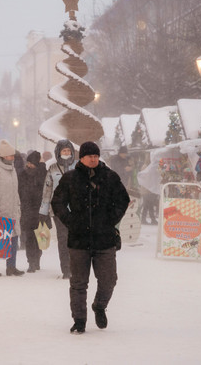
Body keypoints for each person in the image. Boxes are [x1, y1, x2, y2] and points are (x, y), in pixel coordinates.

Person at [51, 141, 130, 334]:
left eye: (96, 156)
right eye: (90, 156)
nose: (93, 159)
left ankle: (99, 306)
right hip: (79, 240)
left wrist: (111, 219)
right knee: (78, 283)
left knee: (109, 279)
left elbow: (123, 199)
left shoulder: (110, 177)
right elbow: (58, 202)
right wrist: (71, 221)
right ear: (82, 158)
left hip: (105, 238)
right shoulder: (70, 178)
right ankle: (79, 320)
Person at [0, 139, 24, 277]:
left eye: (13, 156)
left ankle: (11, 267)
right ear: (2, 156)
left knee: (13, 239)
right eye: (10, 156)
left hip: (12, 209)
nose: (12, 158)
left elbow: (15, 190)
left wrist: (18, 205)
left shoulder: (12, 169)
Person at [38, 139, 77, 279]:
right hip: (59, 210)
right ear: (58, 152)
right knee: (63, 239)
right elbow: (47, 191)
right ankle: (66, 269)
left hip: (76, 210)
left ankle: (76, 268)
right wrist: (43, 212)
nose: (66, 153)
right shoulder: (52, 169)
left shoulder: (78, 167)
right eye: (64, 151)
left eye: (68, 151)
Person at [18, 151, 47, 273]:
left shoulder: (43, 174)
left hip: (40, 210)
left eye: (31, 163)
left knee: (40, 238)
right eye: (28, 163)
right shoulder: (23, 175)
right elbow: (19, 190)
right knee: (29, 238)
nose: (29, 165)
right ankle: (31, 262)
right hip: (27, 210)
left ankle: (37, 259)